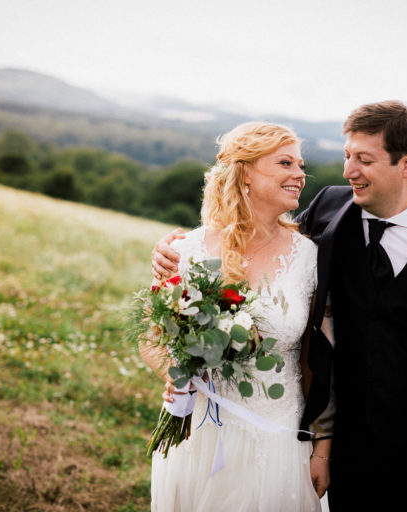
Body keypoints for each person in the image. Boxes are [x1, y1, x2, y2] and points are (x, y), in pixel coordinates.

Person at [152, 101, 407, 511]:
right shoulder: (328, 208)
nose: (348, 171)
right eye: (347, 156)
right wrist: (173, 253)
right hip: (345, 443)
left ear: (406, 164)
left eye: (364, 160)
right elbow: (257, 241)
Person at [140, 122, 327, 511]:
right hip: (199, 434)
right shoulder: (188, 247)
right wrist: (178, 381)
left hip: (278, 438)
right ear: (245, 174)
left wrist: (324, 446)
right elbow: (151, 336)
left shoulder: (309, 258)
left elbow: (326, 361)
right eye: (285, 163)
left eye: (301, 165)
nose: (300, 175)